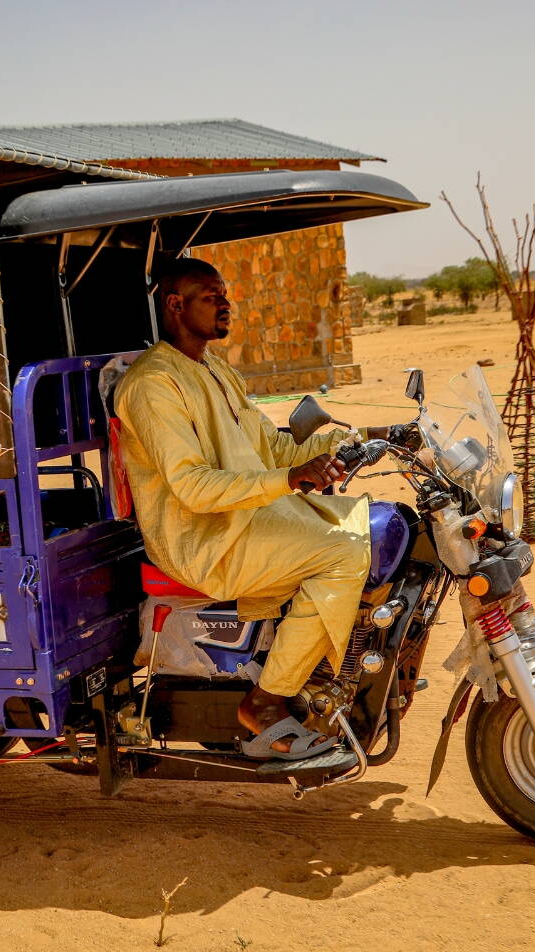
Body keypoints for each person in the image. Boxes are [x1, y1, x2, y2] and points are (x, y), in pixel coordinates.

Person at [113, 258, 411, 760]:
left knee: (374, 527)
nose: (226, 303)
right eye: (212, 296)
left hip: (245, 519)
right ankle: (266, 702)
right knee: (342, 554)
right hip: (203, 540)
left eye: (226, 293)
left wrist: (353, 442)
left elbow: (270, 450)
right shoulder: (152, 385)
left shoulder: (214, 369)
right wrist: (289, 479)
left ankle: (326, 669)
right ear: (174, 304)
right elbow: (193, 487)